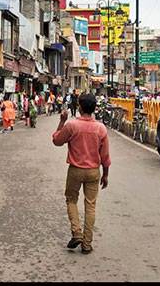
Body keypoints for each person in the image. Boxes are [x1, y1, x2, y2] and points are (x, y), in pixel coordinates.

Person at [52, 93, 111, 255]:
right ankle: (87, 243)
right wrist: (105, 175)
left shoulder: (72, 125)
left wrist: (62, 121)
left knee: (71, 200)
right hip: (93, 171)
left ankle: (76, 232)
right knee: (90, 205)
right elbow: (105, 157)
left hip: (75, 170)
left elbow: (57, 141)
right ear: (94, 109)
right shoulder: (101, 128)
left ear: (79, 107)